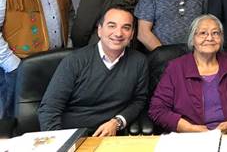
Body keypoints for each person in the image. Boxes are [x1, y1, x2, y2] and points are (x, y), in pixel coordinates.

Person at [38, 7, 148, 136]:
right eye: (111, 26)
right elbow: (49, 109)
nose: (118, 33)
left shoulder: (139, 62)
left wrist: (117, 122)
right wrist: (60, 144)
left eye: (126, 27)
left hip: (111, 137)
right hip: (72, 135)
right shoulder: (75, 61)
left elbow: (139, 100)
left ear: (132, 34)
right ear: (100, 30)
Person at [149, 14, 227, 133]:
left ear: (221, 39)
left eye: (215, 33)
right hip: (191, 137)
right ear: (192, 39)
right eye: (203, 33)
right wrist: (189, 128)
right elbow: (157, 109)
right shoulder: (176, 68)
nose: (210, 38)